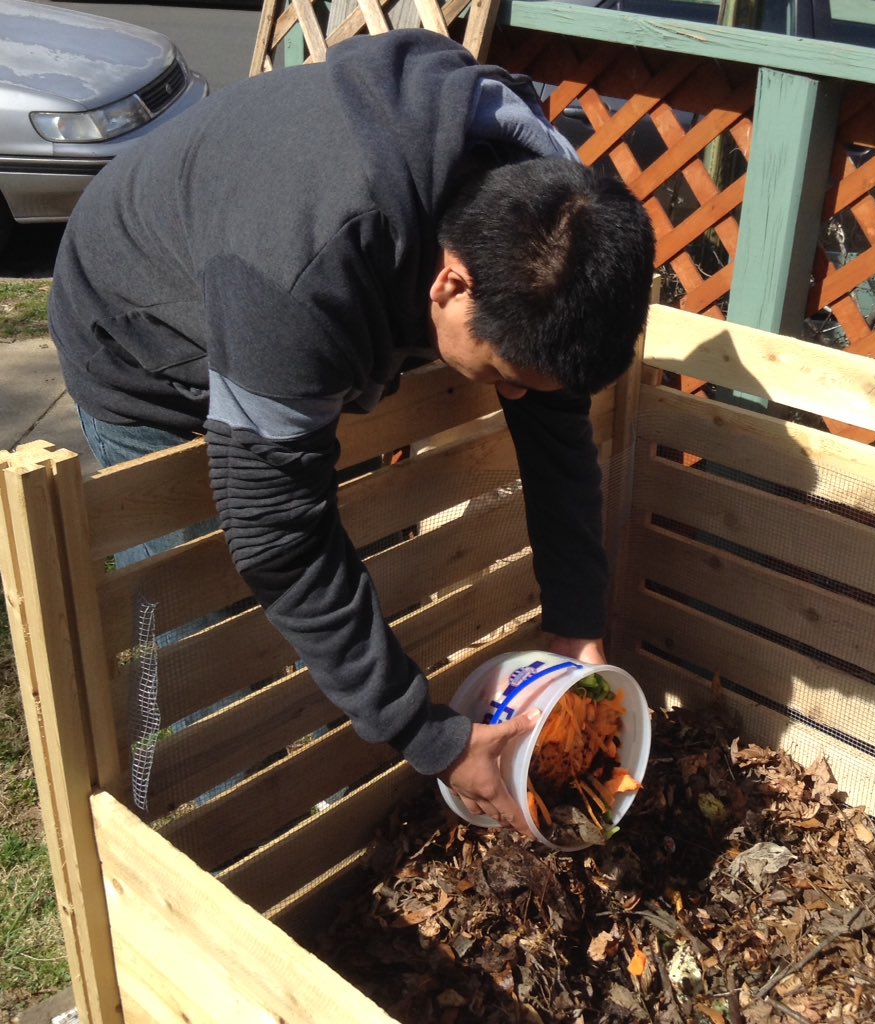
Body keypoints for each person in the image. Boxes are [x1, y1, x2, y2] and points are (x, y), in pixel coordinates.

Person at [48, 28, 655, 837]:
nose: (513, 396)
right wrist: (430, 738)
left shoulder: (551, 207)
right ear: (451, 281)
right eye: (506, 376)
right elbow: (277, 538)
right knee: (200, 629)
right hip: (143, 333)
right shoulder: (301, 270)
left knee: (320, 582)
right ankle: (217, 825)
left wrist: (577, 620)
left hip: (271, 289)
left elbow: (555, 431)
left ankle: (328, 770)